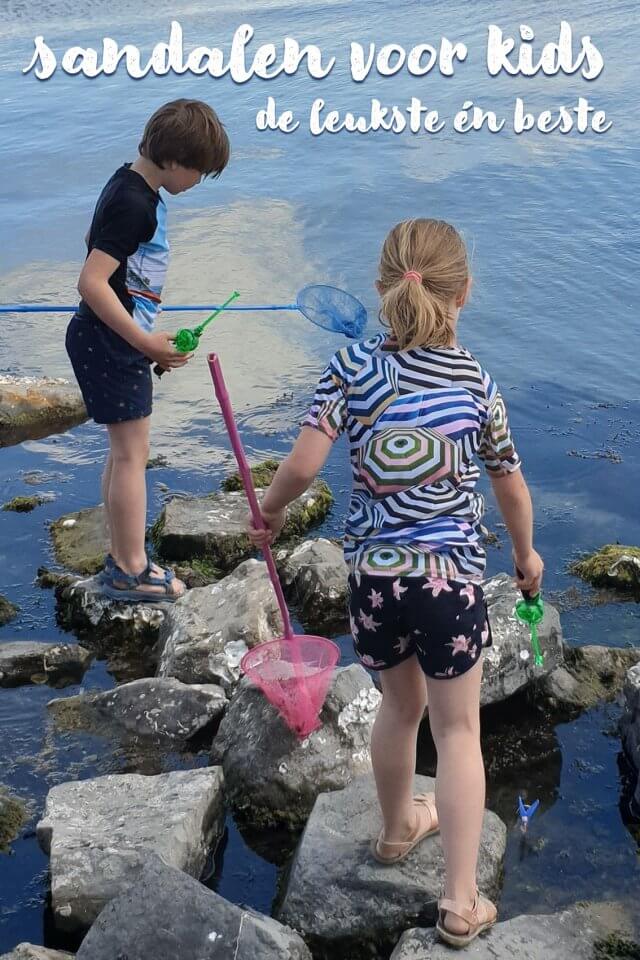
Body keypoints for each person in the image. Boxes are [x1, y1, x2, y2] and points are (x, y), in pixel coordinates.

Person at [246, 218, 544, 948]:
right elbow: (510, 486)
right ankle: (460, 900)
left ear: (383, 288)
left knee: (398, 711)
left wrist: (273, 511)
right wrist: (526, 555)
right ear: (464, 293)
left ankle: (395, 829)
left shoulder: (349, 367)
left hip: (375, 580)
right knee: (459, 729)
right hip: (448, 581)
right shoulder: (477, 382)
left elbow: (305, 465)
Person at [66, 99, 230, 602]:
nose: (199, 182)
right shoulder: (136, 203)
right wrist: (142, 341)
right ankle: (132, 569)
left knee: (123, 454)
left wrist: (146, 337)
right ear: (176, 161)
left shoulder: (129, 184)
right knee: (133, 455)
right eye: (200, 172)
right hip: (110, 341)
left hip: (111, 338)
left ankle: (121, 555)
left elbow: (97, 242)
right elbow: (91, 282)